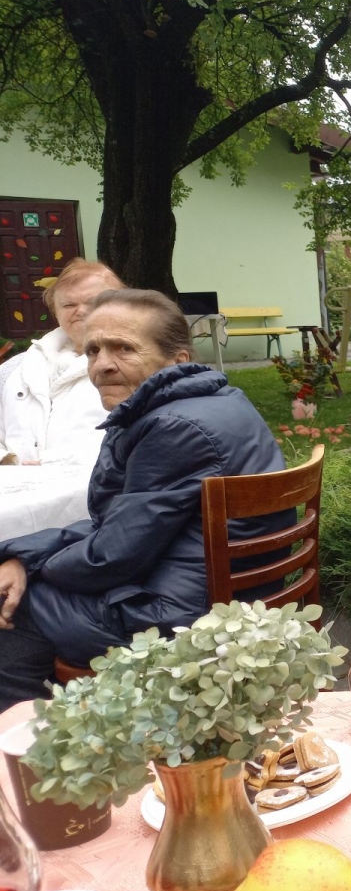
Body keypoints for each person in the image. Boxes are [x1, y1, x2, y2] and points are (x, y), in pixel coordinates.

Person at [0, 289, 289, 710]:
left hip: (186, 623)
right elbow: (119, 526)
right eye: (93, 350)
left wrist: (30, 570)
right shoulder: (215, 400)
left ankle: (23, 740)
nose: (102, 364)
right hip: (226, 599)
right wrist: (22, 556)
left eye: (124, 348)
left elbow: (110, 558)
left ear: (178, 359)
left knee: (13, 606)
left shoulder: (173, 427)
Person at [0, 259, 124, 469]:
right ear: (55, 311)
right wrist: (6, 461)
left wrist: (52, 464)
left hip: (98, 487)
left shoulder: (136, 366)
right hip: (16, 487)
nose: (80, 311)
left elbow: (143, 440)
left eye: (92, 302)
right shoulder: (15, 368)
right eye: (68, 305)